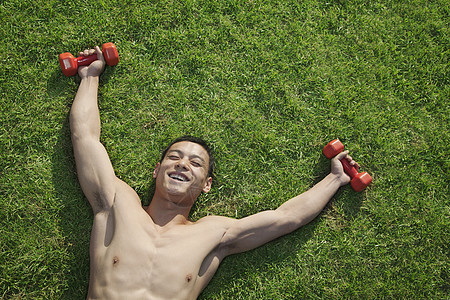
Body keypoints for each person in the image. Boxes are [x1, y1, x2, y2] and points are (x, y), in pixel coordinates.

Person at [69, 46, 360, 300]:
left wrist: (335, 179)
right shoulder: (117, 203)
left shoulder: (213, 233)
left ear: (207, 185)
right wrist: (91, 76)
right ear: (157, 170)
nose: (183, 164)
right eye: (174, 157)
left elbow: (285, 218)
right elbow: (85, 138)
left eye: (195, 163)